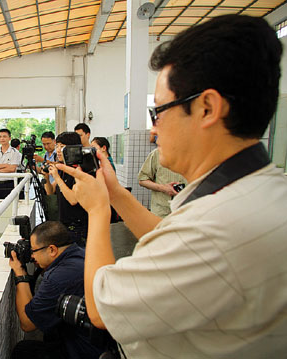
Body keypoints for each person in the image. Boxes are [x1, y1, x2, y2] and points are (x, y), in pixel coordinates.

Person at [57, 14, 287, 358]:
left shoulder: (213, 232)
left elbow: (100, 309)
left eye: (159, 112)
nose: (153, 130)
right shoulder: (259, 191)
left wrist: (98, 208)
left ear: (207, 107)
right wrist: (117, 195)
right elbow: (172, 233)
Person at [9, 221, 103, 359]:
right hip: (101, 344)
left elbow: (27, 323)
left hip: (84, 352)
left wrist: (20, 273)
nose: (32, 256)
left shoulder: (58, 278)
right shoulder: (80, 253)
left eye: (33, 250)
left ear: (52, 250)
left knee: (22, 352)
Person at [44, 132, 88, 246]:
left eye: (62, 147)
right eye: (57, 146)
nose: (58, 150)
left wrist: (57, 177)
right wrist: (47, 178)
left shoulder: (78, 170)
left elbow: (73, 200)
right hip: (64, 223)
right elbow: (50, 191)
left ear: (73, 149)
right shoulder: (64, 168)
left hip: (78, 227)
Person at [138, 144, 187, 217]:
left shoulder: (198, 155)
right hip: (162, 212)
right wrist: (163, 188)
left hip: (187, 211)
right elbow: (142, 180)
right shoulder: (157, 154)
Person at [0, 129, 21, 199]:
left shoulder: (15, 152)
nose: (2, 138)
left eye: (4, 136)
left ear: (9, 138)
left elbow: (12, 169)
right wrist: (5, 165)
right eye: (0, 136)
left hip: (9, 183)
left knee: (10, 206)